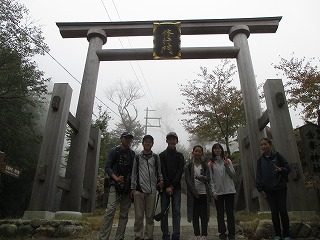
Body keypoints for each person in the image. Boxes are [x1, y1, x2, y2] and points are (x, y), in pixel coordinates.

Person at [99, 131, 135, 240]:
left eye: (129, 138)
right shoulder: (114, 151)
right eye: (125, 138)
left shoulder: (132, 154)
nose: (127, 140)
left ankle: (119, 238)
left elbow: (134, 171)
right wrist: (116, 178)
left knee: (124, 214)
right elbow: (107, 167)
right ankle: (103, 237)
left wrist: (132, 187)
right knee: (110, 211)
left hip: (127, 187)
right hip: (114, 184)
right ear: (121, 138)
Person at [256, 138, 291, 240]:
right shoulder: (260, 160)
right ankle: (277, 235)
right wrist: (260, 189)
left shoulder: (278, 156)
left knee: (283, 211)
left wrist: (281, 169)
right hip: (268, 190)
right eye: (261, 145)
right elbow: (258, 176)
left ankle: (287, 234)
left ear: (270, 145)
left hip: (280, 188)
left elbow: (287, 168)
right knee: (274, 212)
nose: (263, 146)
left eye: (265, 144)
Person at [130, 134, 164, 240]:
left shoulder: (155, 157)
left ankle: (149, 236)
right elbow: (133, 173)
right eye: (146, 141)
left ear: (152, 144)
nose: (147, 143)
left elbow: (159, 172)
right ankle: (138, 236)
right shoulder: (137, 157)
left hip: (152, 191)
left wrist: (161, 180)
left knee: (150, 216)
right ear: (143, 143)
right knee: (139, 216)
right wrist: (132, 188)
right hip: (139, 190)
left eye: (150, 142)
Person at [159, 132, 185, 240]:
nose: (172, 141)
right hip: (165, 187)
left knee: (176, 211)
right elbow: (163, 171)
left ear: (176, 141)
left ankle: (176, 235)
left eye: (174, 139)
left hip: (176, 187)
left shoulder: (180, 156)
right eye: (170, 139)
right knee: (164, 211)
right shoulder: (161, 155)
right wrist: (168, 186)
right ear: (167, 141)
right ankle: (165, 235)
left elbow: (180, 172)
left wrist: (172, 186)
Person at [209, 143, 236, 240]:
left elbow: (233, 175)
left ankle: (232, 233)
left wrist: (227, 166)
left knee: (230, 213)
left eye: (219, 148)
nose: (217, 150)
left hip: (229, 191)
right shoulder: (211, 164)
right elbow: (211, 179)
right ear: (213, 151)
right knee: (220, 213)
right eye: (215, 149)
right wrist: (213, 191)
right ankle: (222, 233)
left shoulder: (227, 161)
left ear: (221, 150)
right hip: (218, 192)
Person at [184, 145, 211, 240]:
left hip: (204, 193)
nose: (197, 153)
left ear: (202, 153)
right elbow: (187, 180)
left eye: (199, 151)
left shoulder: (205, 165)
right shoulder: (188, 165)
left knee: (204, 215)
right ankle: (197, 235)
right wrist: (195, 193)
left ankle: (204, 234)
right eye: (196, 151)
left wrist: (199, 177)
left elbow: (208, 179)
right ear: (193, 152)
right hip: (193, 195)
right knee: (195, 215)